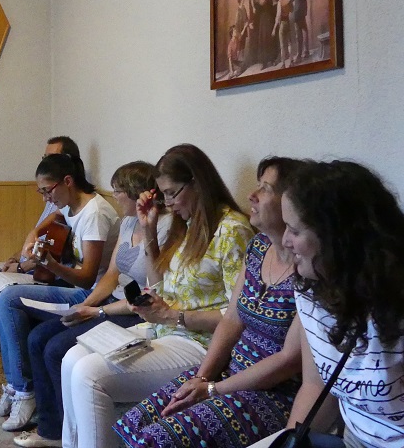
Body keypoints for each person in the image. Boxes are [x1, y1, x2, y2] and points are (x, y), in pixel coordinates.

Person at [60, 143, 254, 448]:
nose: (168, 203)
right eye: (162, 194)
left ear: (198, 183)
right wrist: (149, 232)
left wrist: (174, 316)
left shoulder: (231, 231)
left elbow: (238, 315)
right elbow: (159, 285)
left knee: (89, 374)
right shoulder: (188, 225)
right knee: (71, 358)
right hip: (164, 329)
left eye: (172, 193)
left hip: (199, 342)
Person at [113, 157, 303, 448]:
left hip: (269, 391)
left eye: (264, 188)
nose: (252, 194)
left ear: (291, 203)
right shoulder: (259, 246)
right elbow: (232, 319)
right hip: (227, 367)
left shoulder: (308, 268)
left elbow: (288, 360)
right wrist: (202, 378)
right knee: (137, 422)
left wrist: (212, 388)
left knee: (155, 439)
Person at [14, 161, 172, 448]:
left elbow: (154, 287)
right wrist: (84, 306)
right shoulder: (127, 223)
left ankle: (71, 436)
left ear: (136, 193)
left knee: (57, 348)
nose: (114, 197)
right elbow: (111, 275)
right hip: (110, 301)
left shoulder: (165, 225)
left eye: (118, 191)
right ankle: (51, 429)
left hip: (136, 310)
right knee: (38, 337)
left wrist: (96, 311)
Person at [274, 161, 404, 447]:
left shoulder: (396, 305)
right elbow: (318, 386)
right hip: (352, 438)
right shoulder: (309, 290)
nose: (284, 241)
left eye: (294, 230)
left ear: (337, 237)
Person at [0, 153, 120, 432]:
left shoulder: (95, 214)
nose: (46, 199)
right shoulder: (72, 206)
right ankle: (15, 386)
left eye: (48, 191)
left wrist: (51, 264)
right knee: (0, 294)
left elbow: (86, 280)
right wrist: (34, 233)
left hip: (95, 294)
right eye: (41, 192)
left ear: (68, 181)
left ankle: (25, 391)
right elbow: (58, 217)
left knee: (10, 297)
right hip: (74, 285)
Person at [1, 136, 81, 274]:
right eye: (44, 158)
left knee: (6, 294)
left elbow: (52, 253)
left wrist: (20, 268)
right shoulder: (54, 196)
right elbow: (38, 238)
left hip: (48, 271)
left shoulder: (65, 198)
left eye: (52, 158)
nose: (46, 163)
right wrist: (16, 257)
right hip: (33, 263)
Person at [273, 0, 292, 68]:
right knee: (289, 43)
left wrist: (274, 29)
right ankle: (291, 61)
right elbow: (292, 10)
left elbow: (278, 16)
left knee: (282, 45)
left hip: (282, 24)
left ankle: (284, 63)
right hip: (289, 22)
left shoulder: (280, 1)